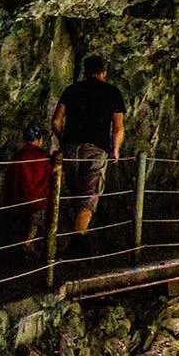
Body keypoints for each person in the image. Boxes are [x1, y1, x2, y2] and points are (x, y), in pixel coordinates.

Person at [51, 53, 128, 241]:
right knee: (89, 198)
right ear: (103, 73)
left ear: (85, 72)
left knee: (72, 195)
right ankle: (78, 241)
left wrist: (64, 142)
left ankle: (64, 241)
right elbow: (118, 128)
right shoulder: (112, 92)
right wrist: (115, 149)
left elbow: (56, 120)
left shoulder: (71, 90)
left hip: (70, 150)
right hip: (95, 150)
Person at [4, 127, 58, 259]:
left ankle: (28, 246)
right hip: (38, 199)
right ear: (39, 140)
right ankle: (28, 244)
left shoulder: (18, 156)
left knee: (23, 223)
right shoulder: (43, 157)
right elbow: (52, 173)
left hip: (18, 198)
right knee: (36, 222)